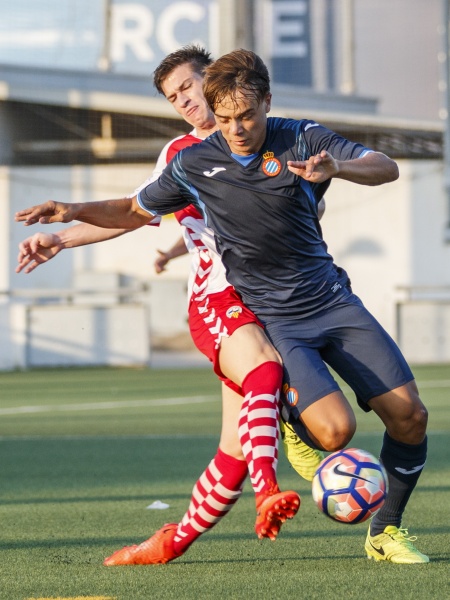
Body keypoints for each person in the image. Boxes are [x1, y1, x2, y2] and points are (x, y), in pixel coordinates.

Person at [16, 48, 429, 565]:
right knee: (333, 432)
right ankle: (284, 425)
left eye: (244, 114)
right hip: (262, 313)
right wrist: (68, 220)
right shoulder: (189, 160)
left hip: (330, 300)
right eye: (180, 99)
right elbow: (133, 211)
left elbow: (383, 166)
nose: (234, 127)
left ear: (263, 101)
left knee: (410, 416)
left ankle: (384, 531)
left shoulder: (300, 136)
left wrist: (337, 168)